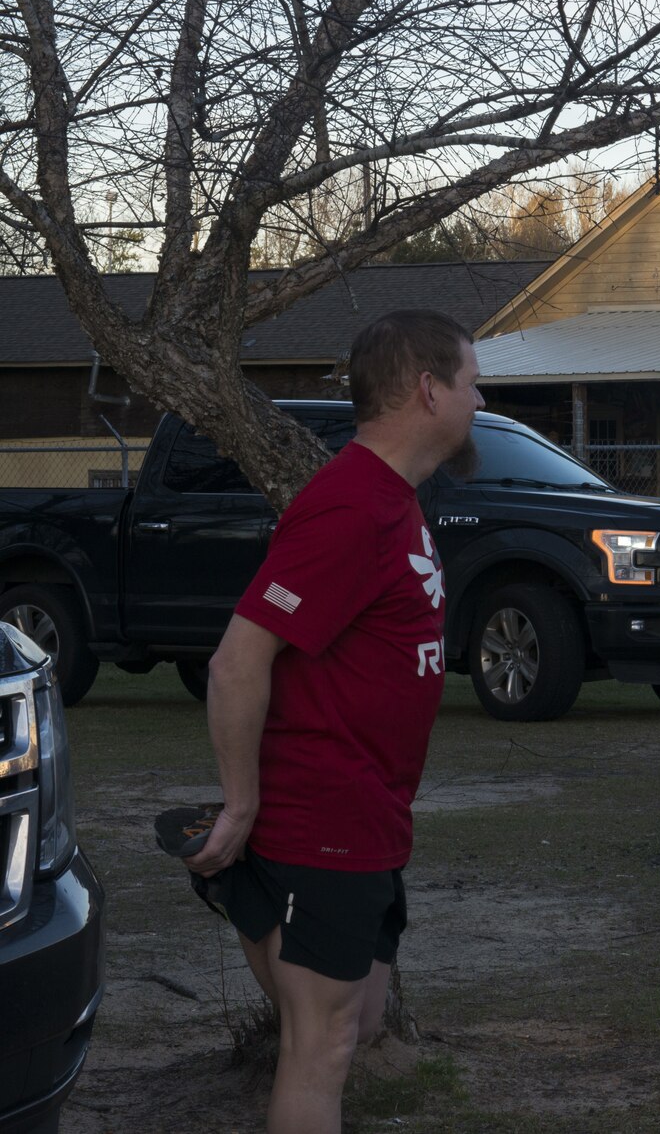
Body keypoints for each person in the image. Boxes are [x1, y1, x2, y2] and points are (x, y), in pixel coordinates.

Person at [186, 310, 484, 1134]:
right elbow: (237, 663)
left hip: (368, 820)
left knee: (353, 1022)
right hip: (320, 821)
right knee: (320, 1046)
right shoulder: (350, 505)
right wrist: (241, 806)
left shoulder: (394, 502)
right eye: (471, 381)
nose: (479, 398)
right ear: (429, 390)